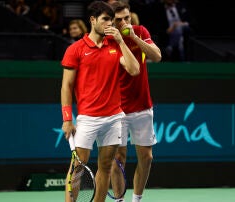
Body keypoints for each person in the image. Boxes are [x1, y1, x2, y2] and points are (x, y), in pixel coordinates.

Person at [60, 1, 140, 202]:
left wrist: (121, 41)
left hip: (114, 118)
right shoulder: (76, 50)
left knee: (105, 167)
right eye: (105, 19)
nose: (109, 24)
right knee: (77, 168)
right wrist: (67, 119)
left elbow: (134, 69)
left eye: (111, 20)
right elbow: (66, 86)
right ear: (93, 20)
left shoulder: (115, 46)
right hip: (88, 118)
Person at [110, 1, 161, 202]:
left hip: (142, 106)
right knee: (118, 159)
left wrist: (133, 36)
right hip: (116, 109)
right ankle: (120, 200)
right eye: (118, 20)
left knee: (147, 158)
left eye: (126, 18)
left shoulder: (139, 31)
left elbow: (156, 56)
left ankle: (137, 199)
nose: (123, 22)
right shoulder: (106, 41)